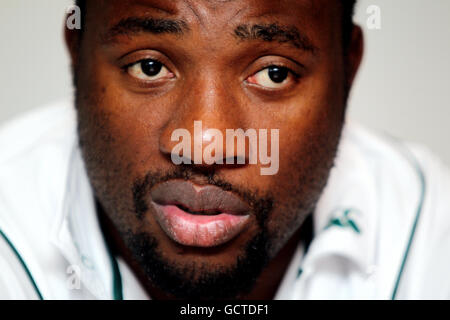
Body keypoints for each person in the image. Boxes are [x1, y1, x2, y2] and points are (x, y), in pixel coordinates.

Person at [0, 0, 449, 300]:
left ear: (347, 67)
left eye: (274, 73)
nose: (203, 144)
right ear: (76, 52)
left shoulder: (431, 234)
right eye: (150, 66)